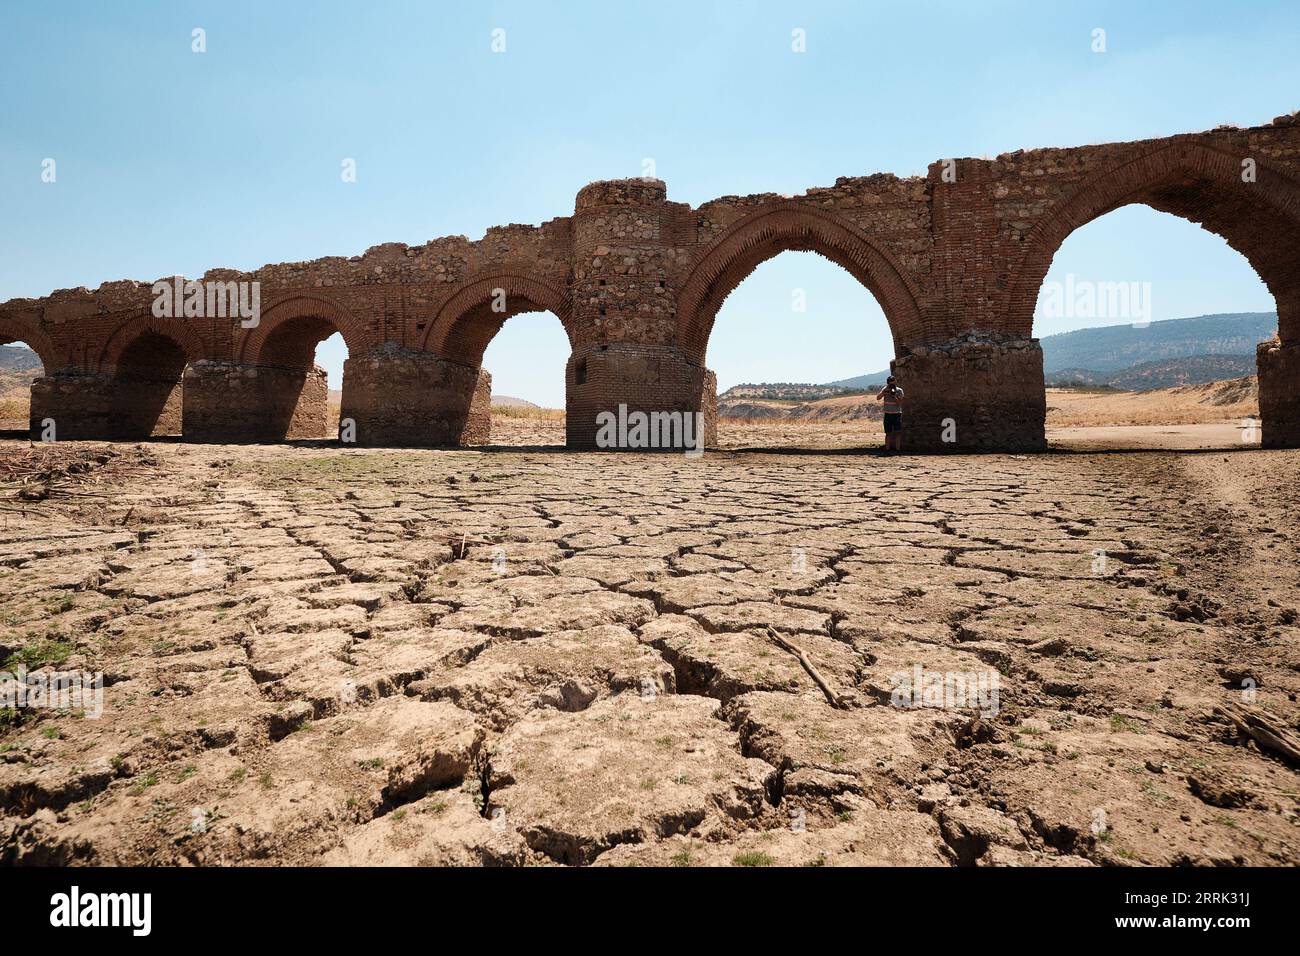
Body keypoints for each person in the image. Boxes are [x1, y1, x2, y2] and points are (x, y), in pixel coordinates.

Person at [876, 375, 904, 453]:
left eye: (893, 383)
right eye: (890, 384)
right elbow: (878, 398)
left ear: (895, 382)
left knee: (897, 433)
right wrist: (884, 392)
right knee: (888, 433)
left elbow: (900, 403)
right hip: (887, 414)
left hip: (897, 414)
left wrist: (894, 396)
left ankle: (898, 450)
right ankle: (887, 449)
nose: (892, 385)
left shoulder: (899, 390)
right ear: (888, 383)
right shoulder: (885, 389)